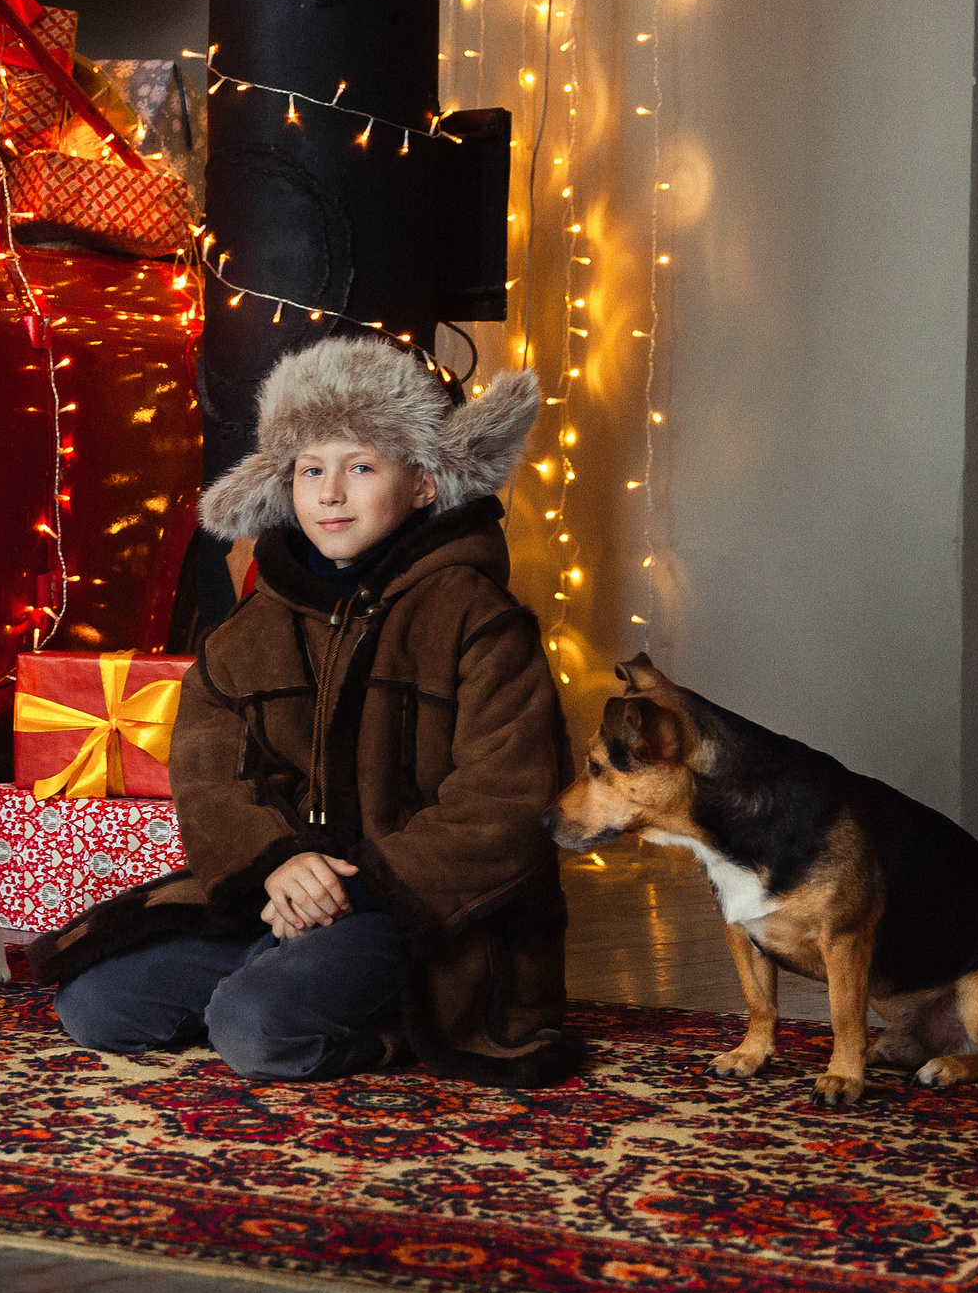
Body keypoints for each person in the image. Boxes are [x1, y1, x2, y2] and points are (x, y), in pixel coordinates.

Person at [29, 335, 581, 1086]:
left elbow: (506, 799)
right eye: (310, 469)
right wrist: (281, 862)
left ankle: (387, 1032)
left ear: (422, 483)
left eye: (360, 467)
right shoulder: (254, 627)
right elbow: (209, 771)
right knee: (95, 1006)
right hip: (281, 895)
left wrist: (350, 887)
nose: (329, 494)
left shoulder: (475, 619)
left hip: (417, 919)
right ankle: (276, 977)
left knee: (252, 1029)